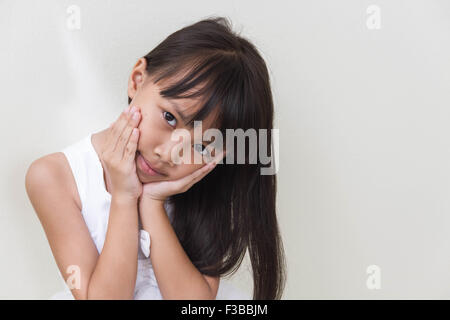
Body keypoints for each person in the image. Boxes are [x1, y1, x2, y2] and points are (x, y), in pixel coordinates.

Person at [25, 16, 286, 300]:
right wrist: (124, 197)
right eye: (169, 118)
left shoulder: (203, 184)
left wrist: (152, 204)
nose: (168, 154)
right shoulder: (54, 176)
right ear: (137, 80)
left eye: (201, 147)